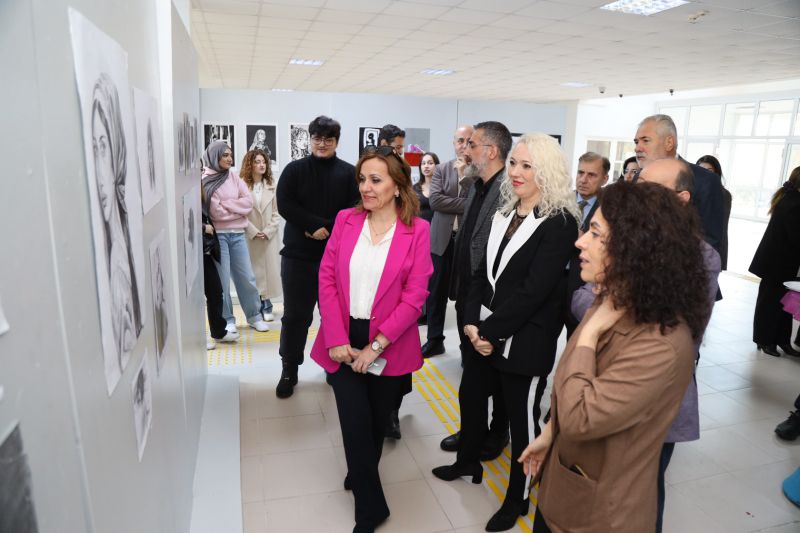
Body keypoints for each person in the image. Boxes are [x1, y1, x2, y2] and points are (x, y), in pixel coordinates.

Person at [519, 181, 711, 533]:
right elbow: (572, 386)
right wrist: (551, 433)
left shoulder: (662, 344)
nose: (580, 242)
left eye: (595, 234)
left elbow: (581, 416)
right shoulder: (614, 299)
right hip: (564, 491)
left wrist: (589, 333)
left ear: (635, 247)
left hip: (602, 515)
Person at [433, 134, 579, 532]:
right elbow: (481, 273)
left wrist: (488, 331)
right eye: (514, 163)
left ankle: (519, 496)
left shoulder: (560, 223)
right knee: (470, 395)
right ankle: (467, 462)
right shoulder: (505, 210)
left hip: (524, 340)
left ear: (546, 172)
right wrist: (469, 322)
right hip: (485, 331)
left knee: (521, 422)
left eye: (527, 166)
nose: (515, 172)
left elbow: (534, 291)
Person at [576, 158, 721, 533]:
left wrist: (609, 306)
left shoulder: (701, 258)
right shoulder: (624, 241)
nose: (639, 195)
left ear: (682, 199)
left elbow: (678, 331)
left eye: (651, 190)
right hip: (603, 383)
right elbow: (579, 298)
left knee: (639, 495)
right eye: (638, 185)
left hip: (655, 398)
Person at [310, 146, 432, 533]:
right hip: (344, 336)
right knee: (354, 421)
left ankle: (361, 471)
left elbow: (415, 297)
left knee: (378, 422)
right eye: (362, 179)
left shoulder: (417, 230)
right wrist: (335, 336)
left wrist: (376, 345)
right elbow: (327, 279)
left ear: (397, 185)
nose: (365, 187)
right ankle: (370, 508)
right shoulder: (346, 220)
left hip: (389, 340)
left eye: (375, 180)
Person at [440, 121, 512, 463]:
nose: (465, 150)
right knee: (472, 367)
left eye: (472, 144)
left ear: (491, 151)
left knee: (495, 370)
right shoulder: (476, 186)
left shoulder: (509, 190)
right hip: (468, 292)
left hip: (491, 297)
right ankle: (472, 430)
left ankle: (497, 432)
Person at [276, 115, 359, 398]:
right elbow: (285, 203)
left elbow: (354, 208)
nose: (322, 144)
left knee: (333, 317)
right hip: (297, 257)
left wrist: (327, 229)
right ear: (310, 139)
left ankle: (331, 366)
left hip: (335, 259)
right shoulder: (294, 170)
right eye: (317, 138)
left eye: (329, 139)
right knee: (295, 317)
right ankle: (289, 369)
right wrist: (312, 225)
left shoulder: (348, 173)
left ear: (337, 141)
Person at [91, 73, 143, 370]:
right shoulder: (111, 259)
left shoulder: (122, 264)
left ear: (118, 155)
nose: (100, 172)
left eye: (104, 147)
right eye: (94, 149)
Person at [201, 141, 270, 336]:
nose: (229, 159)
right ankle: (228, 320)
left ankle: (254, 316)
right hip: (219, 237)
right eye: (225, 155)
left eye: (230, 155)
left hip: (238, 234)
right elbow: (216, 213)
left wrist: (227, 204)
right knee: (223, 282)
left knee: (247, 277)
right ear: (214, 156)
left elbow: (247, 203)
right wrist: (236, 209)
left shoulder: (233, 176)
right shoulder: (206, 180)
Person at [634, 114, 724, 254]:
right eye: (636, 142)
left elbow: (710, 243)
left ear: (669, 142)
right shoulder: (637, 178)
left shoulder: (705, 181)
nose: (637, 148)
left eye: (645, 141)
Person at [423, 125, 475, 358]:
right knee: (436, 294)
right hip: (441, 242)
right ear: (454, 143)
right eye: (460, 140)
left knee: (465, 297)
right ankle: (435, 340)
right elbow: (435, 201)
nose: (463, 145)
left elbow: (479, 204)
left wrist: (465, 177)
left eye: (468, 141)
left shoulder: (480, 173)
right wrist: (468, 205)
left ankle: (466, 347)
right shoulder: (442, 169)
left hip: (467, 243)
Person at [749, 166, 800, 357]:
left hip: (783, 262)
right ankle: (764, 340)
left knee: (786, 303)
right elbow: (796, 236)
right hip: (777, 263)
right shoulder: (793, 202)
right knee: (770, 303)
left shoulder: (789, 198)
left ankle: (782, 340)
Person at [241, 149, 282, 322]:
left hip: (268, 236)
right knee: (252, 272)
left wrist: (267, 231)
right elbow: (240, 213)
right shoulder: (242, 185)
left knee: (269, 271)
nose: (262, 165)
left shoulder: (272, 184)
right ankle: (256, 306)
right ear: (250, 164)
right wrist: (252, 231)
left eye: (264, 161)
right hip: (250, 235)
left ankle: (267, 304)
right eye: (257, 162)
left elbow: (277, 212)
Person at [201, 202, 238, 350]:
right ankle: (197, 338)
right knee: (194, 300)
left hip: (205, 252)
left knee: (216, 291)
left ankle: (218, 331)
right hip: (190, 252)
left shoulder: (200, 196)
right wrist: (203, 228)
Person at [697, 155, 733, 270]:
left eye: (709, 170)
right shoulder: (691, 190)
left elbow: (719, 226)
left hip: (710, 247)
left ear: (716, 173)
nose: (705, 174)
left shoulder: (723, 194)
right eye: (701, 170)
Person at [414, 152, 438, 223]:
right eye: (423, 163)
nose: (426, 166)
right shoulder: (414, 189)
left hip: (438, 227)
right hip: (420, 228)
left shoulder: (443, 187)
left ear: (437, 166)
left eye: (430, 163)